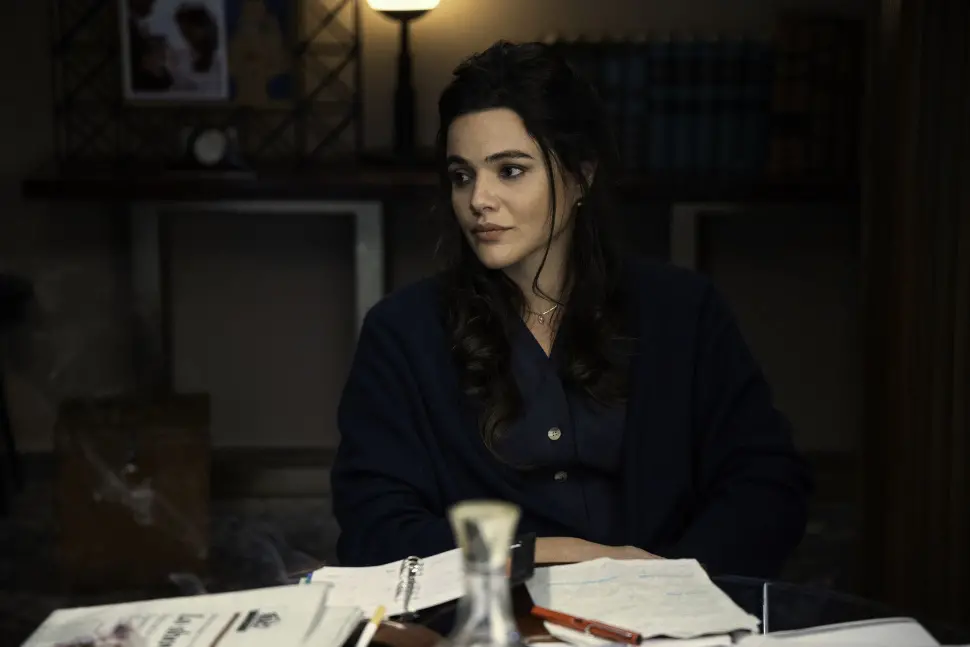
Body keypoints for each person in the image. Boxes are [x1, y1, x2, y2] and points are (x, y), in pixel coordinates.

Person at [331, 40, 813, 577]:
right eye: (462, 176)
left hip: (665, 611)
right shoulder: (403, 332)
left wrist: (671, 584)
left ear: (581, 175)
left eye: (510, 170)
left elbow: (767, 486)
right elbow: (373, 528)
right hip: (488, 614)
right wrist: (546, 553)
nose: (478, 200)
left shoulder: (683, 311)